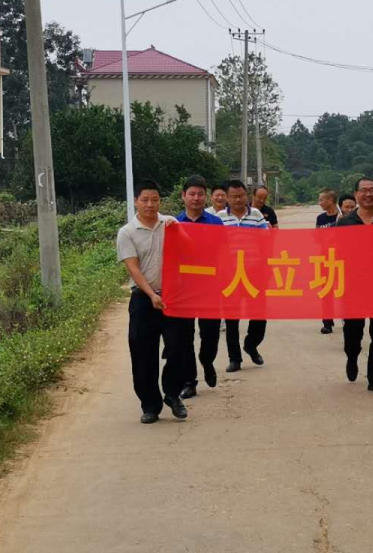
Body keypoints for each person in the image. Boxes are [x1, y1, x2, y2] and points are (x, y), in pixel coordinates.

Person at [116, 179, 190, 424]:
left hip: (174, 298)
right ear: (136, 201)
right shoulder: (127, 232)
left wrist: (179, 230)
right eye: (145, 200)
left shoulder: (171, 224)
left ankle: (172, 394)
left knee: (179, 348)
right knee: (143, 353)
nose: (150, 204)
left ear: (161, 201)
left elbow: (193, 250)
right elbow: (133, 269)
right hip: (143, 299)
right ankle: (150, 405)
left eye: (155, 199)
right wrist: (152, 295)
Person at [334, 177, 373, 395]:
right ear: (356, 194)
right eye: (364, 190)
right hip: (353, 288)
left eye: (372, 190)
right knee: (353, 333)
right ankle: (352, 356)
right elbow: (336, 256)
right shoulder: (345, 223)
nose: (368, 194)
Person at [174, 175, 225, 399]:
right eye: (191, 194)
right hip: (183, 291)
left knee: (210, 334)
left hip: (209, 289)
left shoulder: (216, 223)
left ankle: (207, 361)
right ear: (183, 196)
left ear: (206, 197)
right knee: (184, 337)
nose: (196, 198)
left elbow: (225, 254)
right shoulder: (173, 224)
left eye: (200, 194)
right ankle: (189, 381)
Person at [218, 180, 271, 371]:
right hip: (230, 275)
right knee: (231, 318)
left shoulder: (256, 215)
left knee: (259, 314)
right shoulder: (220, 218)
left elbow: (266, 241)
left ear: (247, 196)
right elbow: (215, 245)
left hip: (254, 272)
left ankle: (251, 344)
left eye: (241, 195)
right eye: (233, 196)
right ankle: (235, 359)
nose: (238, 199)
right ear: (227, 197)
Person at [315, 188, 341, 334]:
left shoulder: (342, 217)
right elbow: (317, 238)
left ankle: (347, 317)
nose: (320, 203)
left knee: (344, 290)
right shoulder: (321, 219)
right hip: (325, 259)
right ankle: (327, 322)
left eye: (322, 200)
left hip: (341, 259)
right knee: (326, 291)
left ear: (330, 200)